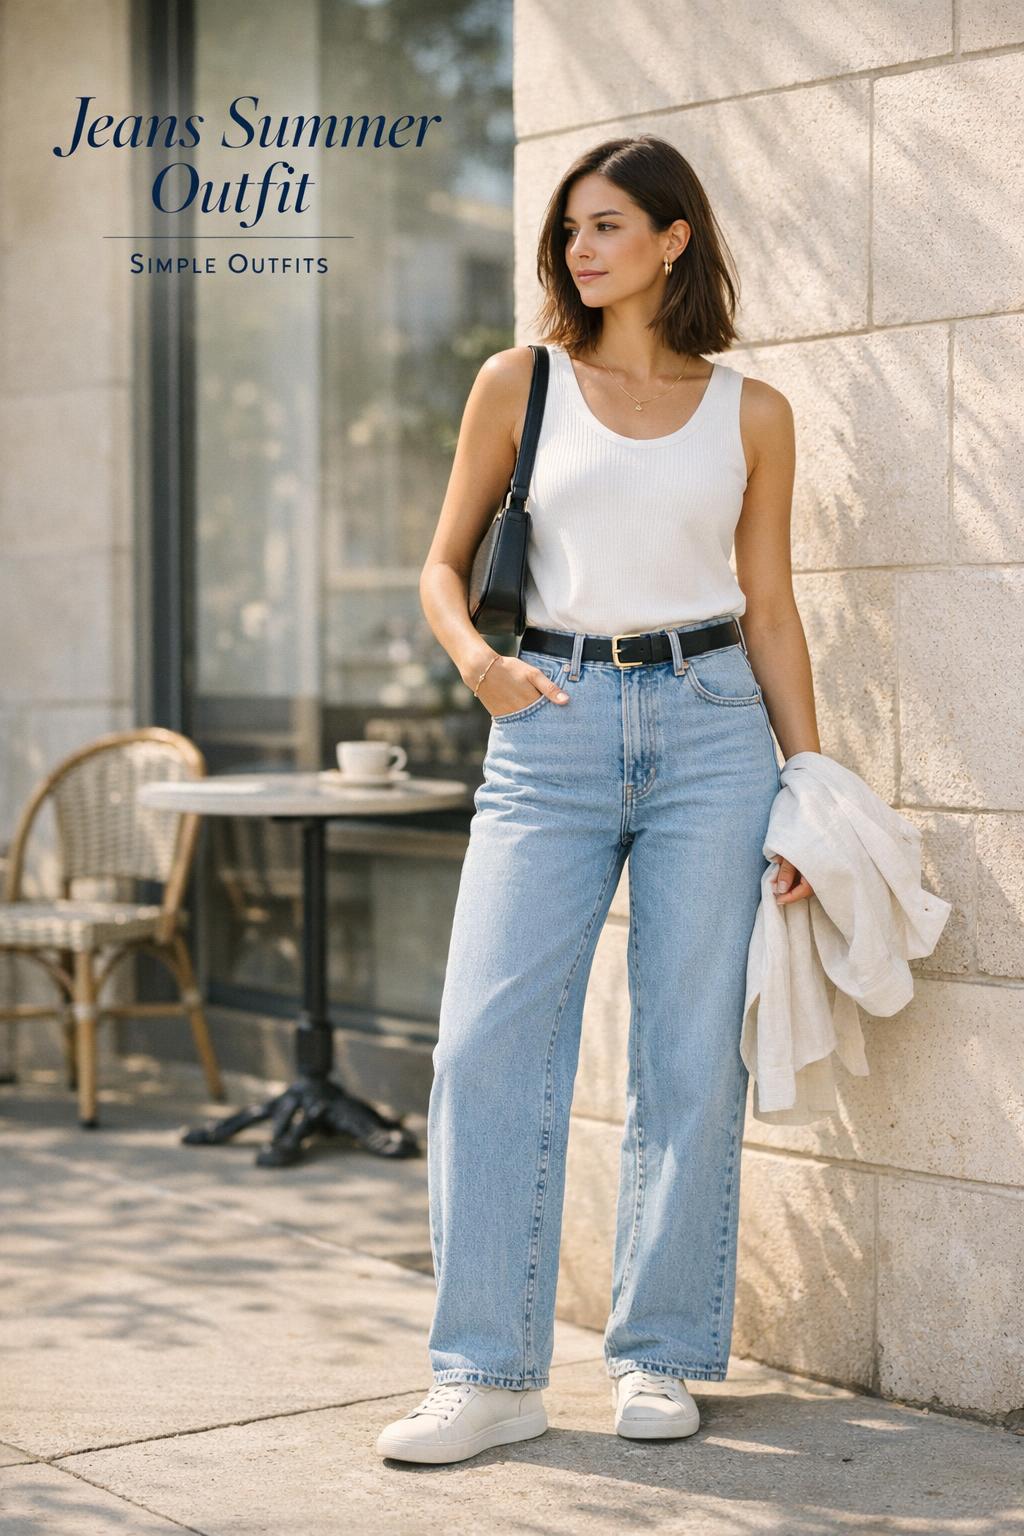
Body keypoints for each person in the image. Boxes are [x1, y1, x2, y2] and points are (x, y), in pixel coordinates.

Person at [377, 133, 820, 1466]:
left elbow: (776, 610)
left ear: (675, 238)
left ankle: (662, 1354)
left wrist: (808, 788)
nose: (580, 247)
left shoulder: (753, 412)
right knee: (487, 1050)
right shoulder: (520, 385)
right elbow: (442, 568)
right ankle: (489, 1376)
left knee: (689, 1056)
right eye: (571, 227)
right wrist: (478, 667)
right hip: (549, 726)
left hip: (713, 725)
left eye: (610, 224)